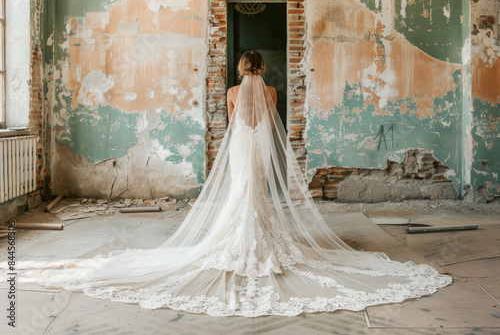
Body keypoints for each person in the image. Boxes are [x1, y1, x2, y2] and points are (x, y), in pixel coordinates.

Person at [16, 50, 452, 317]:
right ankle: (260, 236)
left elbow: (232, 123)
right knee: (257, 191)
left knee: (243, 190)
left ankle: (238, 236)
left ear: (243, 68)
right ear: (262, 68)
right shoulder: (274, 92)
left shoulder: (230, 90)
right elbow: (268, 119)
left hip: (241, 145)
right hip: (259, 147)